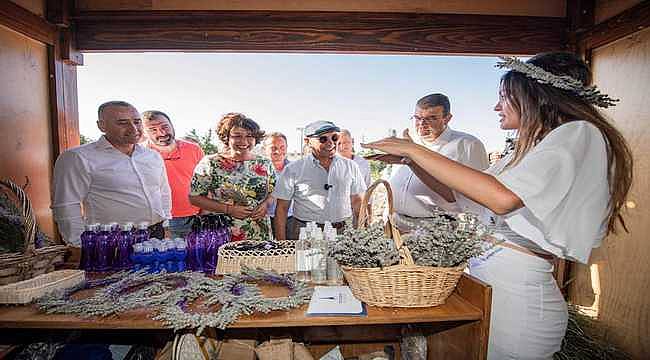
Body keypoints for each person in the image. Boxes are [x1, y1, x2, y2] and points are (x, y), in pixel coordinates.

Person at [362, 52, 633, 359]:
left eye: (505, 96)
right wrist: (410, 160)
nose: (496, 106)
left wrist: (414, 149)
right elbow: (459, 196)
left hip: (518, 301)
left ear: (536, 96)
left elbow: (502, 199)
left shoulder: (578, 133)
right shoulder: (527, 148)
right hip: (493, 287)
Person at [52, 101, 172, 245]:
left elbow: (163, 193)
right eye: (122, 122)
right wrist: (79, 245)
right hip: (111, 239)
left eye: (137, 122)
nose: (133, 128)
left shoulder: (152, 156)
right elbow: (66, 205)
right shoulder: (78, 157)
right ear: (101, 125)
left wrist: (166, 225)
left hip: (155, 236)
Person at [377, 93, 488, 232]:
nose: (422, 124)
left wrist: (412, 161)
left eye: (431, 118)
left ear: (447, 118)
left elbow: (471, 198)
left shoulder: (468, 145)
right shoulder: (407, 142)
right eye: (417, 118)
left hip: (434, 230)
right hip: (394, 224)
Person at [273, 121, 367, 240]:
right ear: (307, 142)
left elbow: (358, 203)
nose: (331, 143)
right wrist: (281, 244)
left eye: (334, 137)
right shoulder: (293, 169)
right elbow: (281, 209)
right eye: (323, 139)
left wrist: (362, 235)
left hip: (343, 233)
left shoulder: (351, 166)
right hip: (305, 234)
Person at [189, 113, 276, 241]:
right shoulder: (211, 163)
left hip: (259, 233)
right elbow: (194, 197)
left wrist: (266, 204)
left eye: (249, 136)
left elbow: (273, 192)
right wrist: (228, 209)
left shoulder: (265, 163)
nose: (244, 141)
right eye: (237, 136)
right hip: (223, 233)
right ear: (226, 138)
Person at [142, 110, 204, 239]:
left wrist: (205, 213)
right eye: (153, 130)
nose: (162, 133)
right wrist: (163, 225)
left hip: (196, 218)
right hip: (160, 222)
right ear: (144, 132)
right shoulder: (140, 154)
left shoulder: (194, 149)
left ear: (172, 125)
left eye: (165, 126)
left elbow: (205, 184)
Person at [262, 132, 294, 235]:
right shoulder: (256, 170)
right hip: (264, 219)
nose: (278, 151)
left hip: (290, 219)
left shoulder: (295, 169)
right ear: (265, 149)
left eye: (282, 147)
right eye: (273, 148)